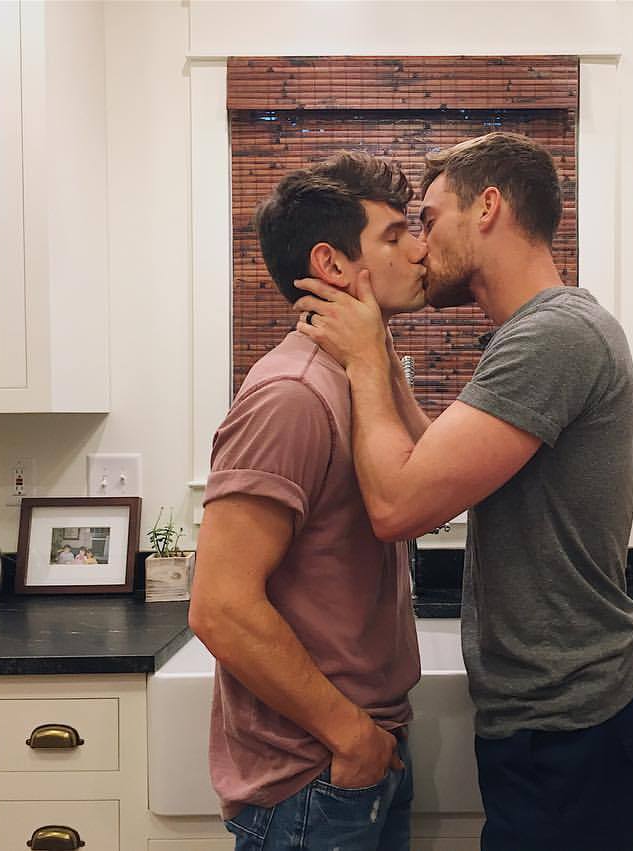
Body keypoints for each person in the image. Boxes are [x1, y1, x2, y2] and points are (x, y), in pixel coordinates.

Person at [293, 132, 633, 851]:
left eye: (428, 220)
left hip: (570, 729)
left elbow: (401, 505)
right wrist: (389, 369)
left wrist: (369, 359)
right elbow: (451, 465)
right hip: (559, 722)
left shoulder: (552, 337)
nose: (419, 245)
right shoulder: (546, 330)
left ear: (488, 206)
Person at [189, 151, 429, 851]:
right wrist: (350, 737)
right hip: (314, 779)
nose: (417, 249)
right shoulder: (291, 394)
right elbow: (220, 605)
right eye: (392, 236)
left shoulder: (355, 379)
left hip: (353, 762)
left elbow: (426, 484)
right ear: (331, 264)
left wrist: (378, 357)